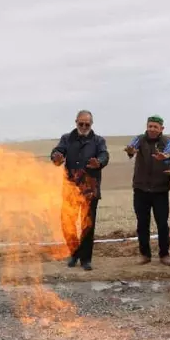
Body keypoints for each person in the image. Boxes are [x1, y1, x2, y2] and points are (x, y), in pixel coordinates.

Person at [50, 110, 109, 271]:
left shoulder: (98, 141)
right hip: (71, 190)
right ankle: (74, 253)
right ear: (76, 122)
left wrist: (100, 162)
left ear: (91, 124)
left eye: (87, 124)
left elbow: (104, 155)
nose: (83, 126)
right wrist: (56, 157)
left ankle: (86, 259)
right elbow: (57, 152)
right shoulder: (66, 138)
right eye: (80, 123)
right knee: (67, 223)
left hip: (90, 190)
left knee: (87, 225)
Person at [124, 115, 170, 265]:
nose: (152, 129)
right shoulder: (139, 139)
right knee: (142, 223)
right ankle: (145, 254)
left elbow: (168, 154)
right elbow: (131, 149)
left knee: (162, 223)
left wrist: (163, 157)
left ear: (161, 129)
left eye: (155, 127)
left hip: (160, 189)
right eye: (150, 126)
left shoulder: (168, 141)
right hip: (141, 188)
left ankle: (164, 254)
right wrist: (130, 151)